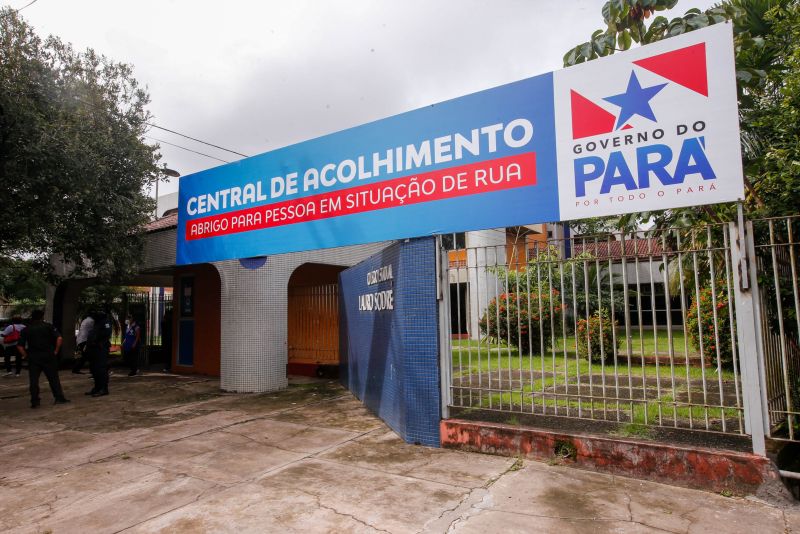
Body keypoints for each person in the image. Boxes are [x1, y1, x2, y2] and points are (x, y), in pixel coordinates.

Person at [17, 310, 69, 408]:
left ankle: (34, 401)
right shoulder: (48, 326)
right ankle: (59, 398)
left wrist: (25, 356)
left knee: (33, 380)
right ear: (42, 316)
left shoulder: (26, 329)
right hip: (48, 355)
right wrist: (56, 351)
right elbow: (59, 338)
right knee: (53, 378)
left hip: (33, 357)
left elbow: (19, 346)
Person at [85, 310, 112, 397]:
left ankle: (103, 389)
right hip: (93, 349)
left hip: (100, 349)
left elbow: (105, 335)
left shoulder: (106, 322)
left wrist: (97, 342)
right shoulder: (97, 323)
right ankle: (97, 387)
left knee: (101, 369)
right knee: (94, 369)